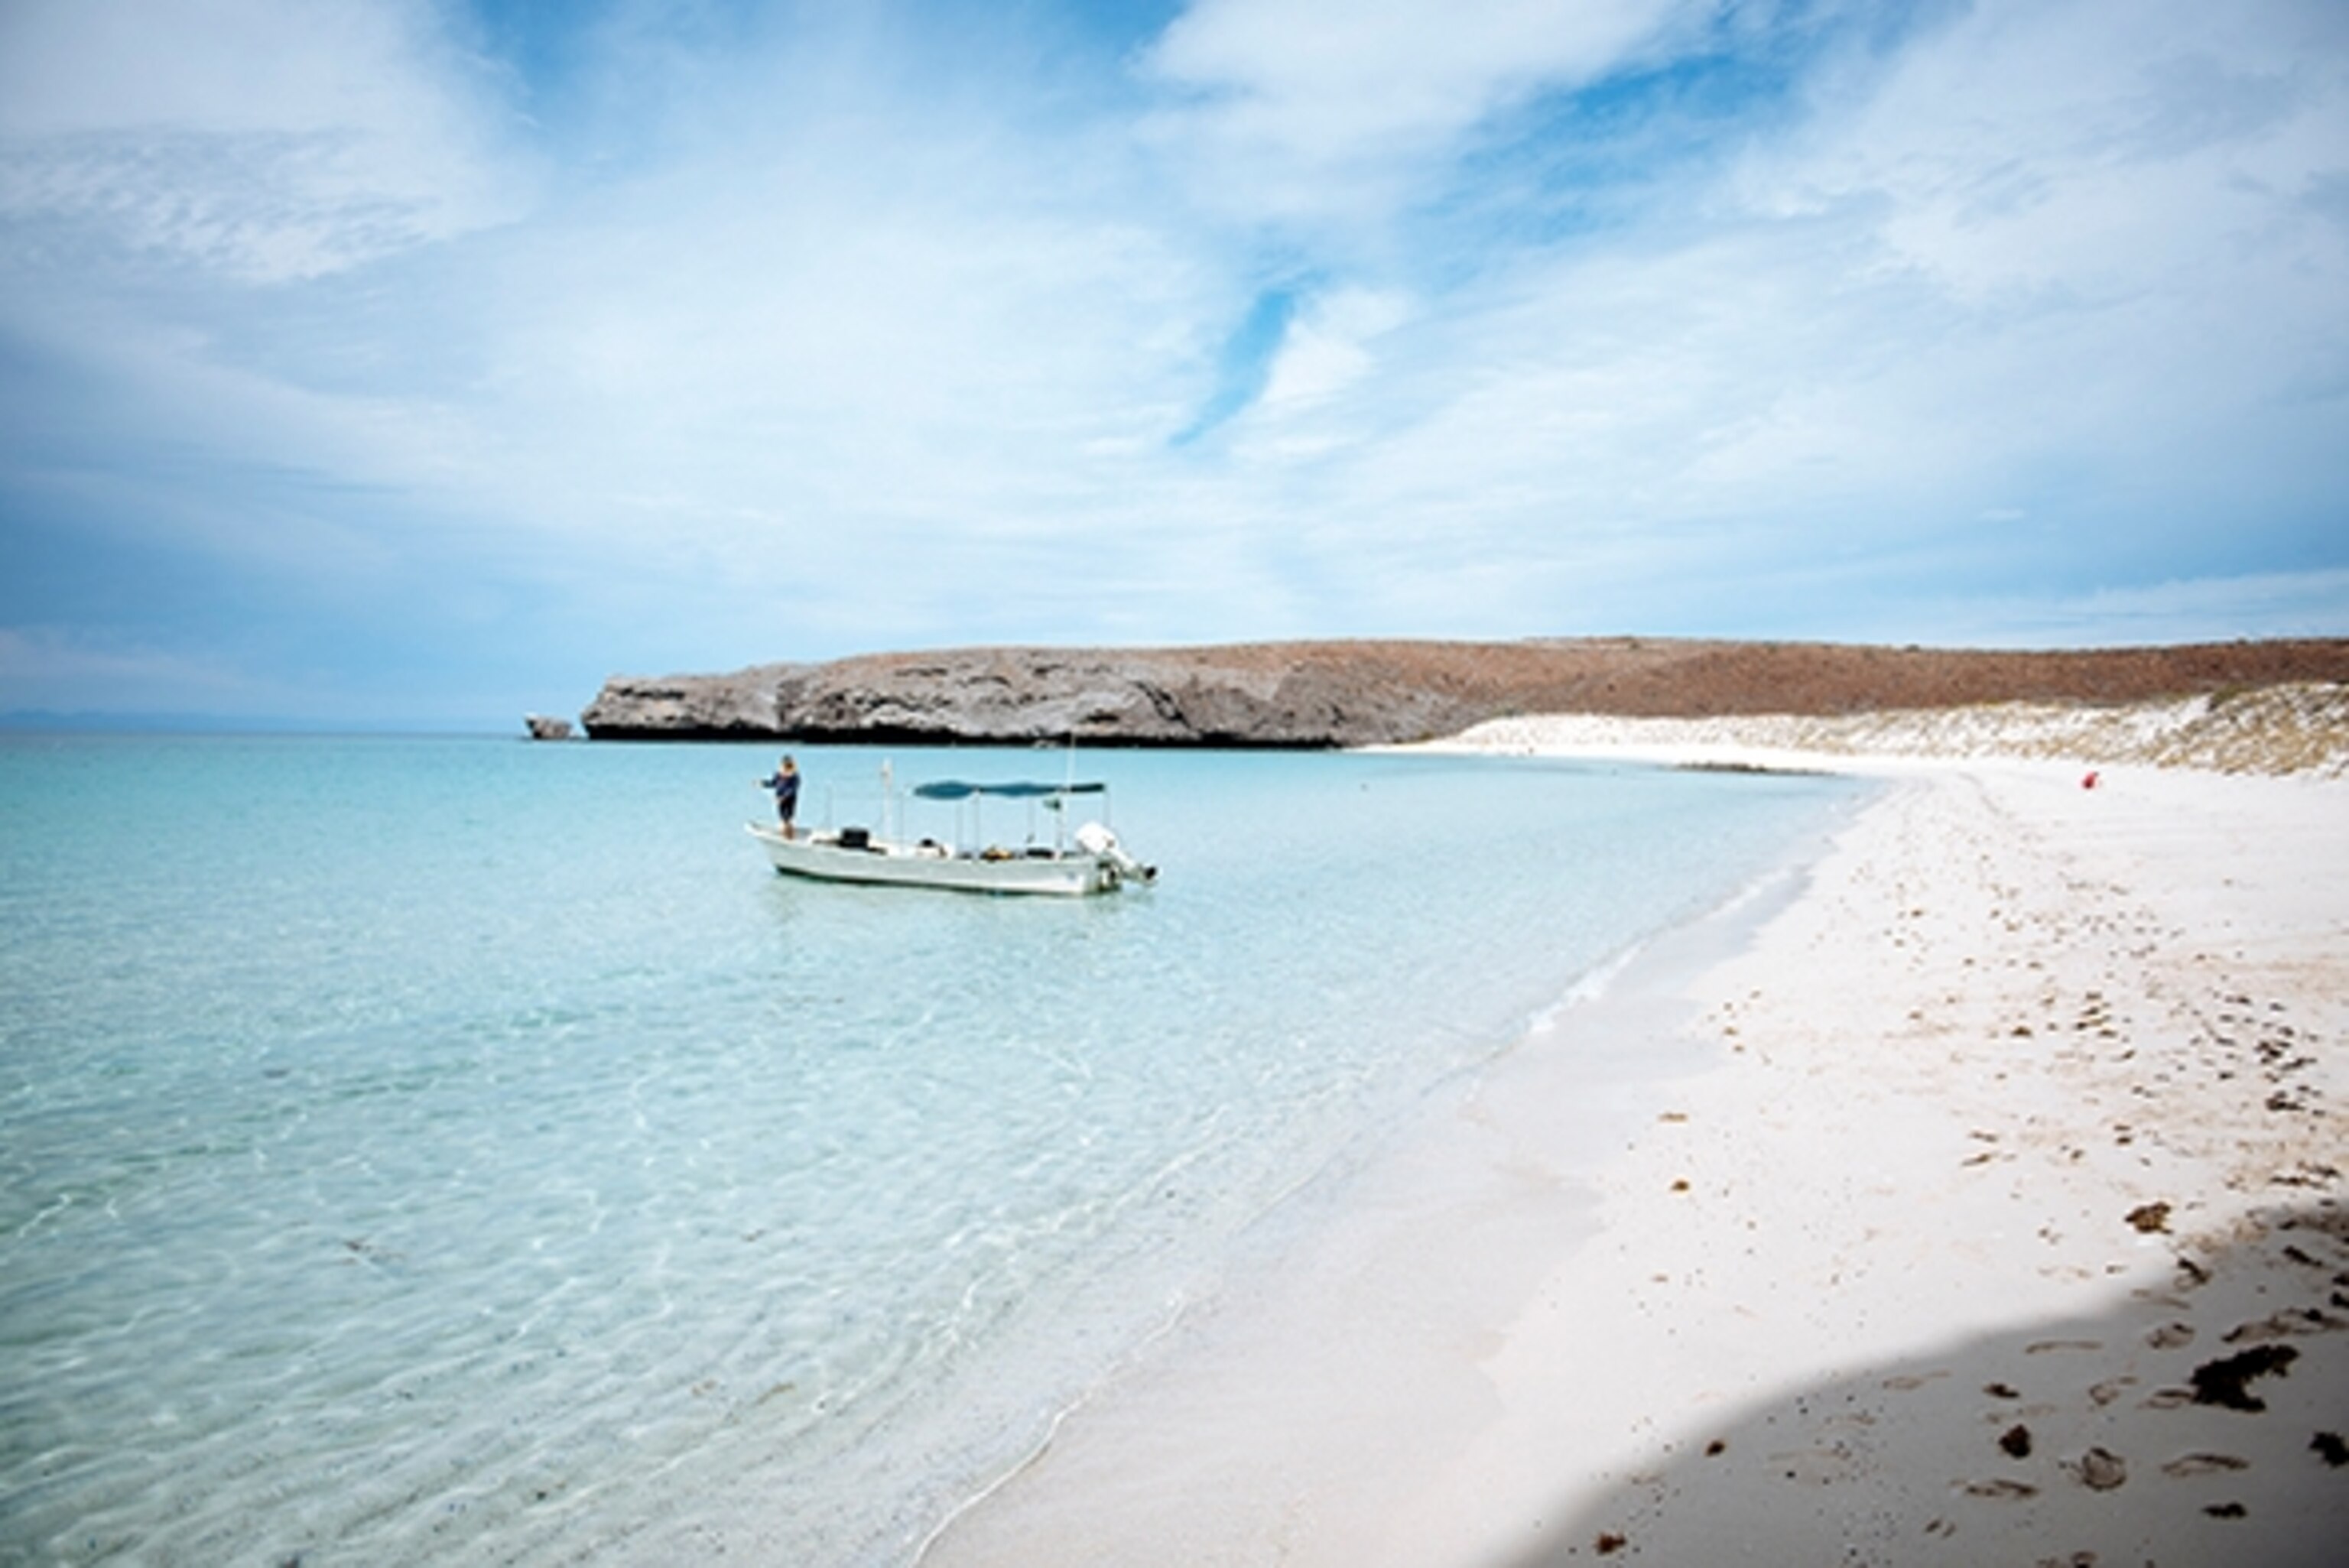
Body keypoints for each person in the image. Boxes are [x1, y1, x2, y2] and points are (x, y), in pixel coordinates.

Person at [757, 755, 801, 837]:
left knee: (788, 818)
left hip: (790, 799)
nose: (786, 768)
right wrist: (762, 783)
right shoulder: (778, 775)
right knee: (783, 817)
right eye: (785, 766)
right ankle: (786, 833)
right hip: (780, 799)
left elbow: (793, 789)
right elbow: (773, 783)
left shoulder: (794, 777)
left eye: (788, 766)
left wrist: (783, 797)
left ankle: (790, 835)